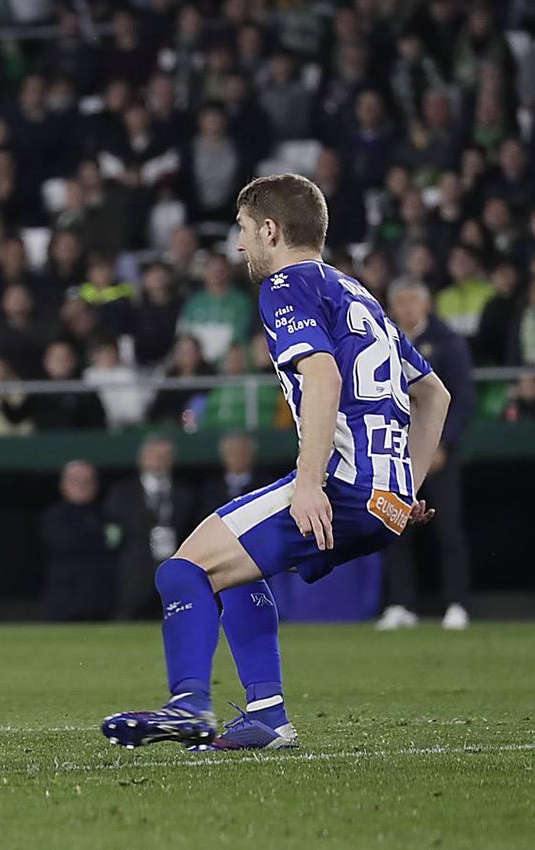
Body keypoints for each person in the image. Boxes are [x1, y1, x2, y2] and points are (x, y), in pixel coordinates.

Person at [102, 174, 449, 751]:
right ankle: (266, 713)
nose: (239, 245)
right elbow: (434, 394)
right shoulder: (356, 293)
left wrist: (311, 482)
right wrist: (404, 485)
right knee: (239, 569)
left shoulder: (285, 285)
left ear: (271, 229)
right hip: (384, 498)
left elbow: (323, 375)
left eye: (242, 229)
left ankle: (188, 703)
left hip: (340, 484)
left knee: (183, 570)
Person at [379, 279, 475, 630]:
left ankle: (456, 603)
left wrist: (442, 445)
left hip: (439, 454)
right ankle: (401, 603)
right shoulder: (382, 339)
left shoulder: (447, 341)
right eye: (399, 302)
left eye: (412, 302)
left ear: (426, 304)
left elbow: (461, 398)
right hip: (394, 452)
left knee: (448, 529)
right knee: (393, 530)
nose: (405, 309)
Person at [104, 436, 197, 621]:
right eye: (154, 456)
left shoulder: (186, 494)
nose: (158, 462)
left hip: (173, 574)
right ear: (142, 459)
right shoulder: (121, 493)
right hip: (134, 576)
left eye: (164, 457)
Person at [39, 460, 119, 621]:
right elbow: (64, 545)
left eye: (87, 481)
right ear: (63, 484)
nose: (82, 486)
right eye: (75, 480)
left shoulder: (108, 516)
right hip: (65, 598)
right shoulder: (53, 516)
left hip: (101, 598)